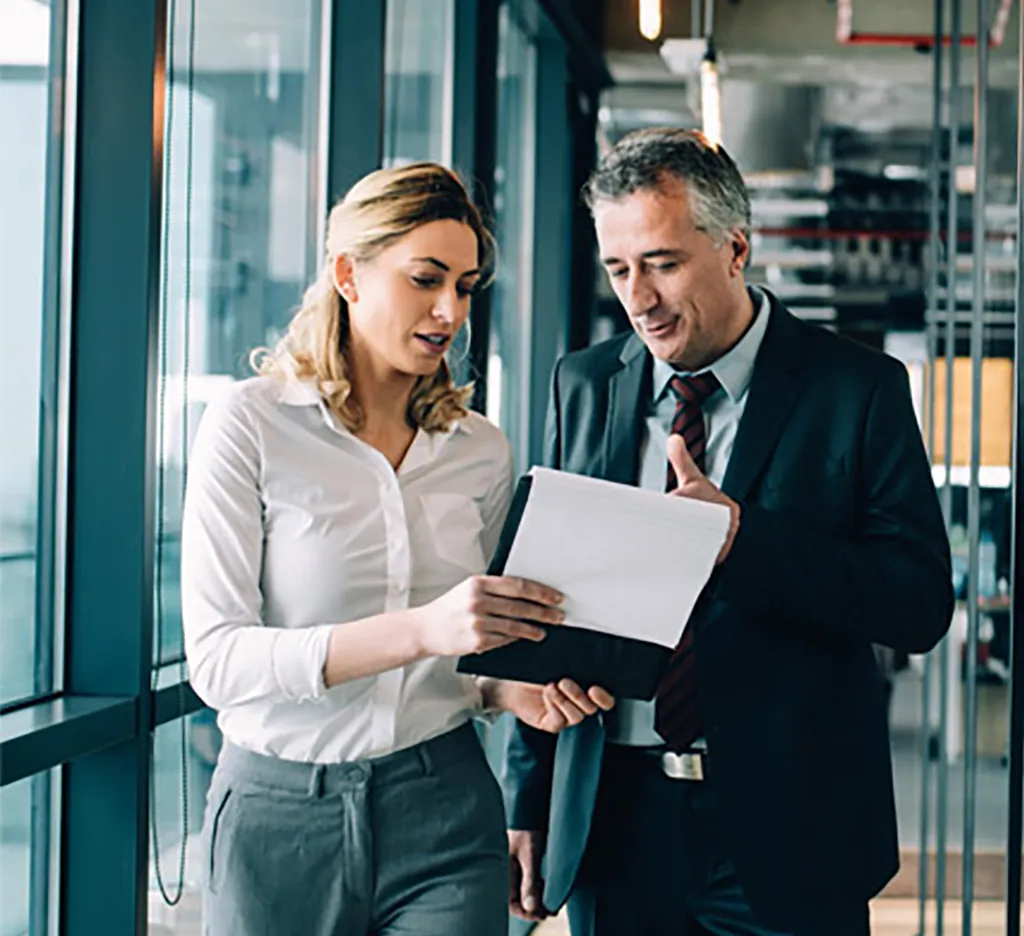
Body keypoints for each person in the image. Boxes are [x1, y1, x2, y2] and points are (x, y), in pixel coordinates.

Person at [501, 128, 951, 936]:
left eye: (662, 264)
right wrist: (527, 801)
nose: (639, 299)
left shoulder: (858, 389)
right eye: (618, 269)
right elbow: (543, 599)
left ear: (735, 248)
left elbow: (916, 605)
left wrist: (744, 542)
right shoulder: (585, 384)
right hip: (614, 817)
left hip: (791, 825)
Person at [181, 163, 615, 936]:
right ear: (348, 275)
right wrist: (421, 630)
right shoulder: (249, 425)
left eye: (466, 287)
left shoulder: (479, 450)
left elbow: (473, 656)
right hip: (277, 819)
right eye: (425, 279)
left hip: (444, 807)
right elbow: (218, 662)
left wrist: (508, 691)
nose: (450, 310)